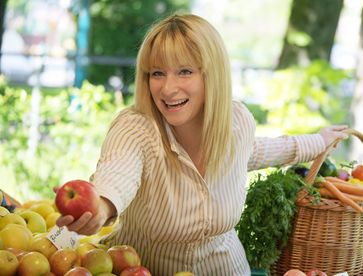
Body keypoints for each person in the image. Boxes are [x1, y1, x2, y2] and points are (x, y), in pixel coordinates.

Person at [57, 13, 348, 275]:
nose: (168, 88)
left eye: (185, 71)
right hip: (143, 269)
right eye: (157, 73)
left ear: (212, 75)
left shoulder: (236, 122)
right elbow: (118, 172)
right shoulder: (136, 127)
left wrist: (318, 141)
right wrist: (103, 205)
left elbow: (258, 151)